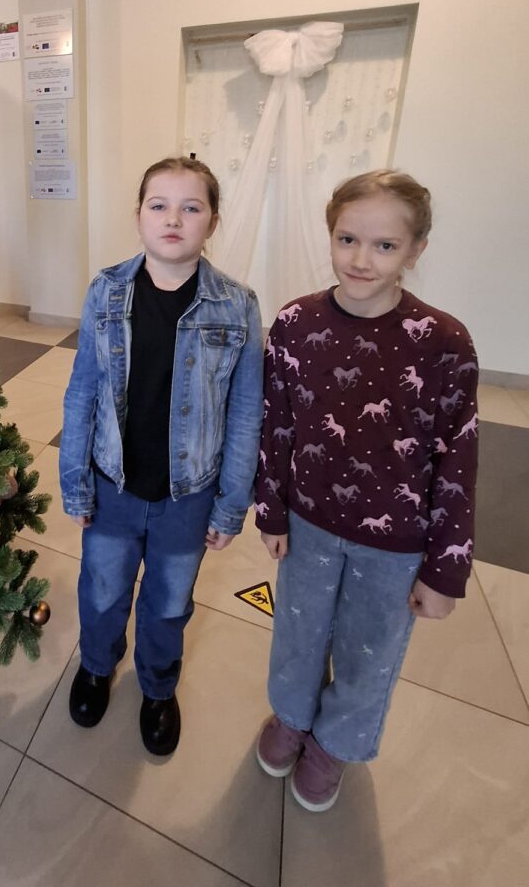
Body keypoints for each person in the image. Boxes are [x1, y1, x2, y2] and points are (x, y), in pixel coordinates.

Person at [254, 170, 479, 811]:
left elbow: (458, 457)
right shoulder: (295, 323)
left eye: (384, 246)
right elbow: (277, 422)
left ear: (415, 250)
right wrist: (271, 510)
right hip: (308, 524)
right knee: (297, 632)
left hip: (396, 543)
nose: (360, 259)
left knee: (369, 649)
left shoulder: (444, 343)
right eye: (347, 239)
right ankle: (292, 716)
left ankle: (335, 743)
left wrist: (445, 568)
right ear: (330, 235)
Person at [59, 155, 263, 755]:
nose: (173, 219)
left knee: (169, 602)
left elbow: (245, 412)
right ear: (139, 216)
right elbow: (82, 389)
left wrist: (231, 504)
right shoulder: (106, 289)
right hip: (114, 484)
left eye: (191, 207)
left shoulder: (238, 305)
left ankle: (157, 686)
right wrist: (75, 480)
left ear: (213, 222)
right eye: (159, 205)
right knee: (102, 591)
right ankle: (97, 665)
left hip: (188, 495)